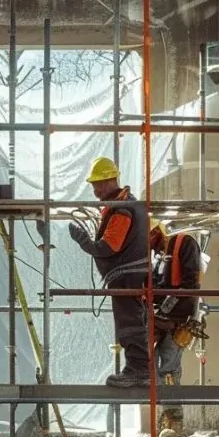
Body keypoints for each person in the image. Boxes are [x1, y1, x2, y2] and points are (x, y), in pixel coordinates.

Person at [68, 157, 152, 387]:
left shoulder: (122, 208)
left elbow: (108, 247)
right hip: (130, 273)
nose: (95, 189)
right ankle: (140, 370)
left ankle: (138, 370)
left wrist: (84, 242)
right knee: (132, 320)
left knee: (129, 322)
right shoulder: (126, 204)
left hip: (126, 275)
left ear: (109, 181)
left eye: (97, 184)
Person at [149, 219, 203, 437]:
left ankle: (174, 420)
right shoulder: (157, 254)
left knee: (169, 368)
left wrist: (164, 308)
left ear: (155, 232)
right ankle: (166, 415)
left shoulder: (185, 243)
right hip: (157, 317)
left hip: (176, 318)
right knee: (148, 365)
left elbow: (190, 284)